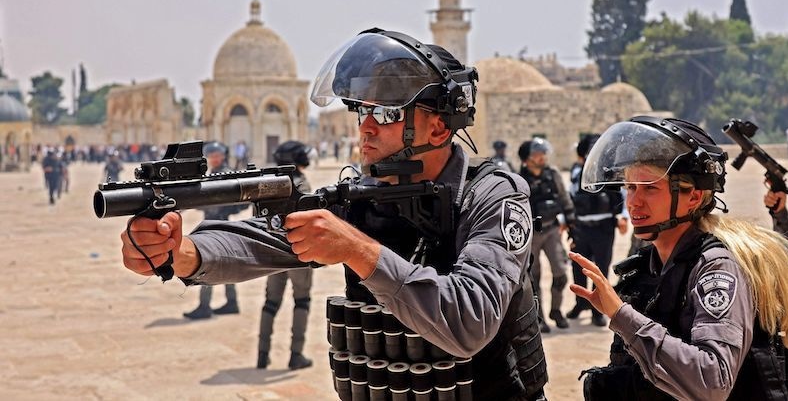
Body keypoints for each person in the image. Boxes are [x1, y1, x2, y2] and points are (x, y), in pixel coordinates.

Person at [120, 28, 548, 399]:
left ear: (438, 126)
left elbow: (469, 321)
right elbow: (264, 238)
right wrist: (182, 253)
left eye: (386, 112)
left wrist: (357, 249)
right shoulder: (361, 197)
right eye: (362, 110)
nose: (366, 127)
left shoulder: (494, 196)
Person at [571, 116, 788, 400]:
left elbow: (713, 381)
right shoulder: (650, 264)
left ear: (693, 197)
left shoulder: (716, 268)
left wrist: (621, 315)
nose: (633, 202)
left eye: (650, 187)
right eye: (630, 187)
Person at [257, 140, 315, 370]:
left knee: (271, 302)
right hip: (297, 253)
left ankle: (262, 354)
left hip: (273, 252)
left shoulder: (271, 184)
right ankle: (296, 355)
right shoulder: (301, 184)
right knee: (302, 301)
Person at [566, 133, 628, 326]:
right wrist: (566, 220)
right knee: (578, 267)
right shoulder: (577, 172)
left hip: (604, 227)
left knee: (600, 269)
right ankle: (580, 303)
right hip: (581, 226)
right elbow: (569, 195)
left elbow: (623, 194)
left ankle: (597, 310)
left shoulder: (610, 173)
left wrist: (624, 216)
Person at [183, 141, 245, 320]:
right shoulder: (216, 173)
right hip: (217, 222)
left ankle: (204, 306)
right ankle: (232, 302)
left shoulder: (223, 174)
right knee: (226, 265)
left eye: (216, 155)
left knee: (208, 265)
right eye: (211, 155)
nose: (213, 158)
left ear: (222, 155)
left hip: (218, 223)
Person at [518, 137, 575, 332]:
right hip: (531, 234)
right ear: (526, 159)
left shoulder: (553, 175)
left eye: (543, 154)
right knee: (533, 277)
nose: (541, 157)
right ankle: (539, 315)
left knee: (560, 273)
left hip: (552, 231)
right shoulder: (520, 180)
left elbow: (565, 199)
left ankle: (556, 311)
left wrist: (572, 225)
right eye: (536, 154)